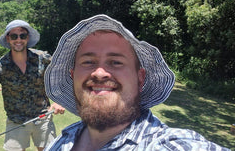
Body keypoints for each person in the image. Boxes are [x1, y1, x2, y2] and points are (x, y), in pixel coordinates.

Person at [44, 14, 230, 150]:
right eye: (88, 62)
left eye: (116, 62)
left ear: (140, 78)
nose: (99, 73)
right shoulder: (64, 139)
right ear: (72, 75)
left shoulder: (168, 144)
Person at [0, 19, 65, 151]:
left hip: (43, 117)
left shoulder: (43, 58)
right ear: (8, 39)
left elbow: (62, 77)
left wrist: (60, 101)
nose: (18, 39)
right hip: (15, 121)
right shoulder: (0, 66)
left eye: (22, 35)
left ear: (27, 38)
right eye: (14, 36)